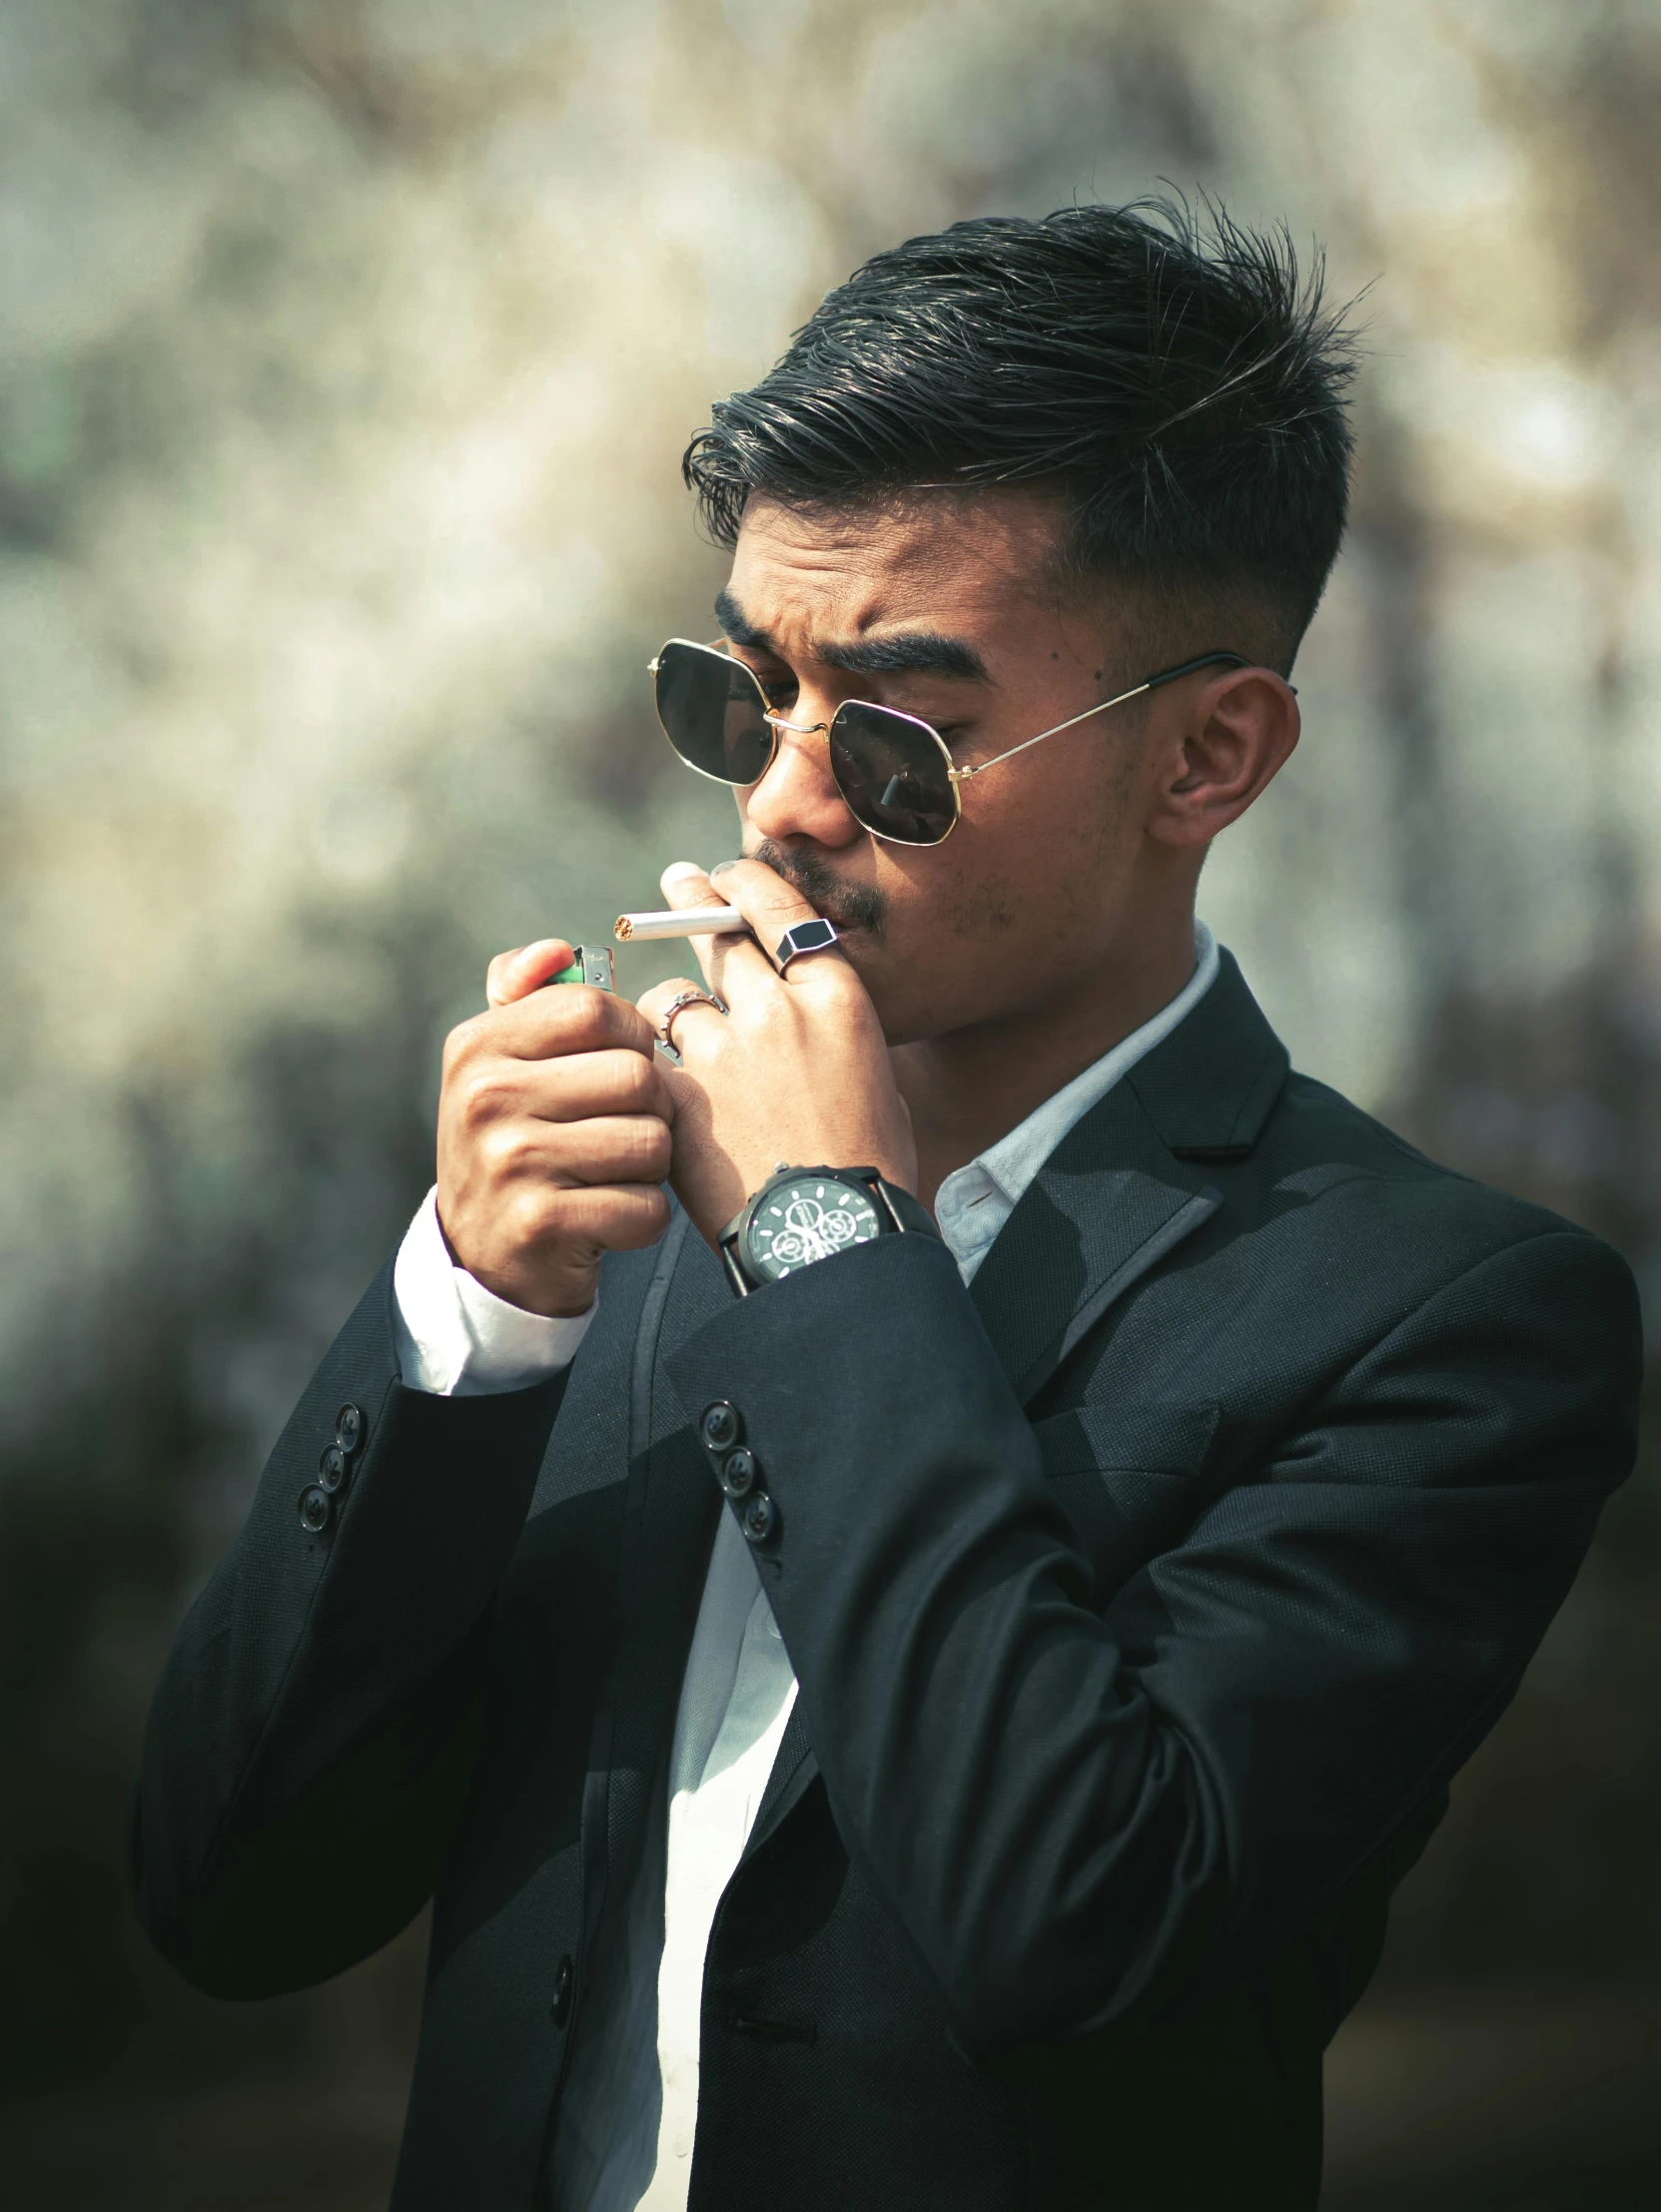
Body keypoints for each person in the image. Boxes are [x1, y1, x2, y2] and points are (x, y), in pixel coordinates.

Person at [130, 204, 1640, 2212]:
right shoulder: (603, 1208)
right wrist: (465, 1316)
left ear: (1209, 756)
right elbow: (234, 1898)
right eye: (741, 694)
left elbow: (1077, 1932)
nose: (780, 805)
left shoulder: (1445, 1316)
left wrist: (834, 1248)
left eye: (905, 737)